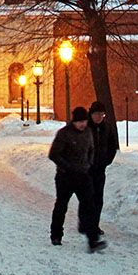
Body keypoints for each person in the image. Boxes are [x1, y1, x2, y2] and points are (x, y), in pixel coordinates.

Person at [48, 106, 106, 252]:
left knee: (89, 206)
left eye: (84, 121)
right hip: (65, 177)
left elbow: (91, 150)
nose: (82, 125)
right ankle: (56, 235)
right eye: (79, 122)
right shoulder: (64, 134)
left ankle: (93, 240)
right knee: (61, 205)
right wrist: (67, 167)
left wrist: (88, 164)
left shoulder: (88, 133)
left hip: (83, 175)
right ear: (74, 121)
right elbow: (54, 154)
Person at [84, 101, 118, 237]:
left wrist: (106, 160)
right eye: (97, 114)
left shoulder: (107, 128)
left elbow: (112, 145)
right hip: (86, 170)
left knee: (98, 198)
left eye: (102, 114)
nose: (99, 117)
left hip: (100, 169)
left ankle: (94, 225)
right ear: (91, 114)